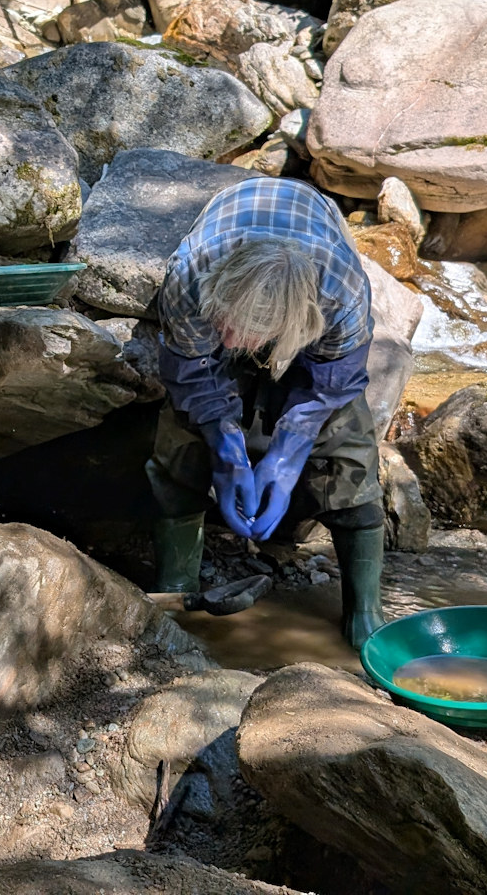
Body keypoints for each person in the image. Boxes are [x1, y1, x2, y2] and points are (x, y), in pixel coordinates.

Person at [147, 177, 386, 649]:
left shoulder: (342, 293)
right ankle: (175, 583)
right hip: (228, 235)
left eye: (249, 333)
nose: (232, 340)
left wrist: (287, 455)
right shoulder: (192, 273)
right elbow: (191, 371)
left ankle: (366, 607)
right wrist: (225, 450)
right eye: (227, 325)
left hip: (312, 264)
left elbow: (331, 384)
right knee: (182, 434)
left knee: (347, 444)